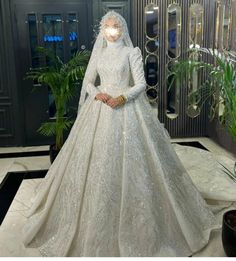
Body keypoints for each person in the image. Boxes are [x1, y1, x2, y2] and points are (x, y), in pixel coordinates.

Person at [21, 10, 221, 257]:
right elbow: (87, 82)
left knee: (138, 161)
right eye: (108, 26)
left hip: (127, 108)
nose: (112, 30)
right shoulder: (100, 53)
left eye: (116, 26)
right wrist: (98, 94)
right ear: (102, 30)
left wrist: (123, 97)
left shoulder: (131, 52)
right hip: (100, 107)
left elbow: (141, 83)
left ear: (123, 29)